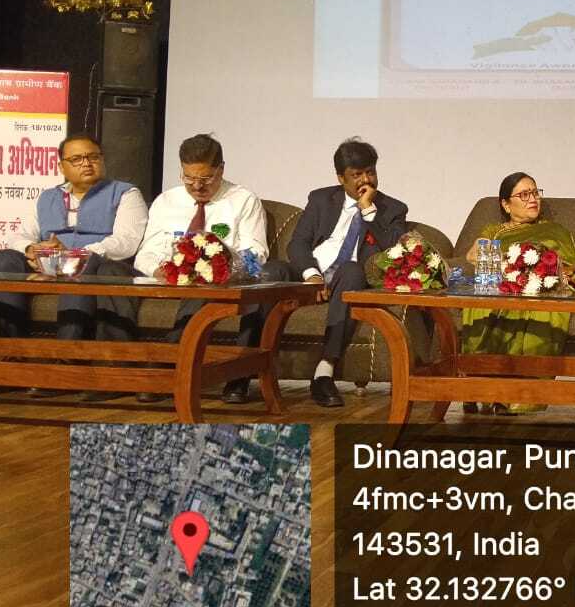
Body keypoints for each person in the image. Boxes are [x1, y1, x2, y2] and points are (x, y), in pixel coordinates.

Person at [0, 133, 147, 397]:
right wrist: (32, 250)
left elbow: (126, 241)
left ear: (103, 160)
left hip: (97, 265)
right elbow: (19, 234)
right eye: (77, 159)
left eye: (93, 157)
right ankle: (11, 357)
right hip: (46, 263)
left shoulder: (125, 193)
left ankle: (66, 359)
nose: (87, 163)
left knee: (81, 263)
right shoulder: (47, 197)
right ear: (61, 166)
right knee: (4, 259)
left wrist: (72, 255)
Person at [133, 133, 289, 403]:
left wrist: (219, 263)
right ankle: (165, 372)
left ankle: (236, 377)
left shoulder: (242, 200)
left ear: (221, 169)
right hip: (176, 281)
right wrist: (160, 269)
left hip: (228, 280)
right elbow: (146, 252)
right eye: (189, 178)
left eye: (206, 178)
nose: (197, 186)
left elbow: (256, 252)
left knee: (233, 279)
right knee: (194, 280)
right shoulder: (166, 202)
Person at [287, 139, 408, 408]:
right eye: (357, 174)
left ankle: (324, 372)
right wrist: (312, 275)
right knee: (272, 270)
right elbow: (298, 244)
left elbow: (393, 251)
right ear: (341, 178)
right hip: (312, 273)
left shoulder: (392, 209)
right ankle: (244, 371)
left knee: (352, 270)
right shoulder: (320, 199)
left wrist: (368, 210)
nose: (366, 180)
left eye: (370, 172)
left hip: (348, 279)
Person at [460, 172, 575, 415]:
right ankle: (483, 387)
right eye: (524, 195)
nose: (533, 199)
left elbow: (571, 267)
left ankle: (519, 394)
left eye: (535, 193)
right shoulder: (495, 230)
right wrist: (512, 267)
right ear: (506, 205)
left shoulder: (555, 231)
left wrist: (537, 272)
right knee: (487, 301)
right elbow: (473, 255)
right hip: (505, 284)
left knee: (540, 309)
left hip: (543, 288)